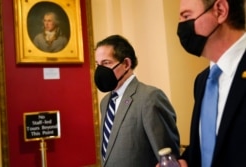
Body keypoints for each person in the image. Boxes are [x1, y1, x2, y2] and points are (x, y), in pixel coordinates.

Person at [173, 0, 246, 166]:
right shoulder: (202, 81)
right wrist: (184, 161)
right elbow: (208, 146)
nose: (181, 27)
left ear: (220, 11)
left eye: (186, 16)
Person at [94, 35, 180, 167]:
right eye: (97, 64)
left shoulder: (149, 97)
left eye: (106, 63)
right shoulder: (105, 102)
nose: (100, 70)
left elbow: (167, 157)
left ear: (126, 64)